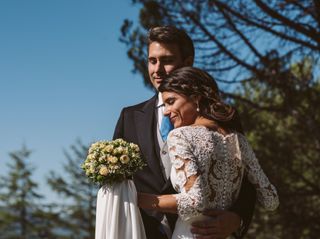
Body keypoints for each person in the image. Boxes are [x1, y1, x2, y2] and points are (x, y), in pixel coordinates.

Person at [113, 26, 256, 239]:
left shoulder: (223, 117)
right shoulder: (130, 117)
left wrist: (236, 220)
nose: (157, 69)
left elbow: (248, 180)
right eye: (152, 61)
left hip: (203, 233)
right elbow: (116, 184)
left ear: (188, 62)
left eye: (167, 60)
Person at [137, 66, 279, 239]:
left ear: (196, 98)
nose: (166, 111)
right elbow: (271, 200)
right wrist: (234, 217)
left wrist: (140, 199)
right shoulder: (238, 139)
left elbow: (196, 202)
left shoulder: (180, 135)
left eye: (171, 101)